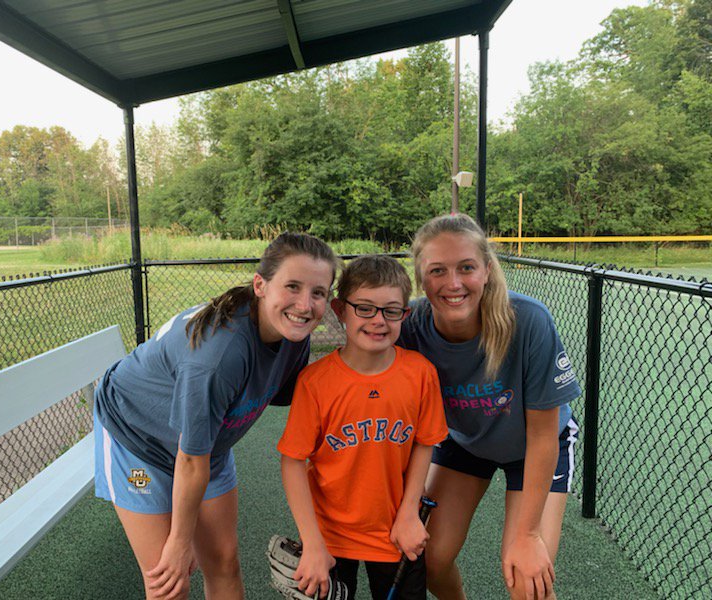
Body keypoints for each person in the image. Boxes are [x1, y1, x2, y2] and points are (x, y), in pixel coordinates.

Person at [93, 232, 338, 600]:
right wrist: (179, 540)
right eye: (292, 286)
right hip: (138, 438)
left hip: (206, 447)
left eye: (318, 292)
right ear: (261, 285)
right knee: (168, 580)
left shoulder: (294, 334)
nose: (305, 305)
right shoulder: (219, 356)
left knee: (223, 562)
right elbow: (191, 460)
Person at [398, 213, 581, 600]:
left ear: (485, 270)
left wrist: (527, 535)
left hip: (534, 449)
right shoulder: (410, 326)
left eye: (466, 267)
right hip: (466, 442)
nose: (453, 283)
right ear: (420, 278)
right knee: (430, 559)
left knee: (526, 578)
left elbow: (544, 435)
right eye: (437, 271)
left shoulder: (528, 320)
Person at [278, 255, 448, 599]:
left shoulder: (420, 373)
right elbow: (293, 461)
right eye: (365, 308)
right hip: (330, 537)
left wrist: (409, 515)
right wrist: (311, 543)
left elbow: (424, 443)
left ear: (405, 314)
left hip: (396, 532)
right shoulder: (315, 381)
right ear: (340, 310)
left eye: (391, 310)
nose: (378, 321)